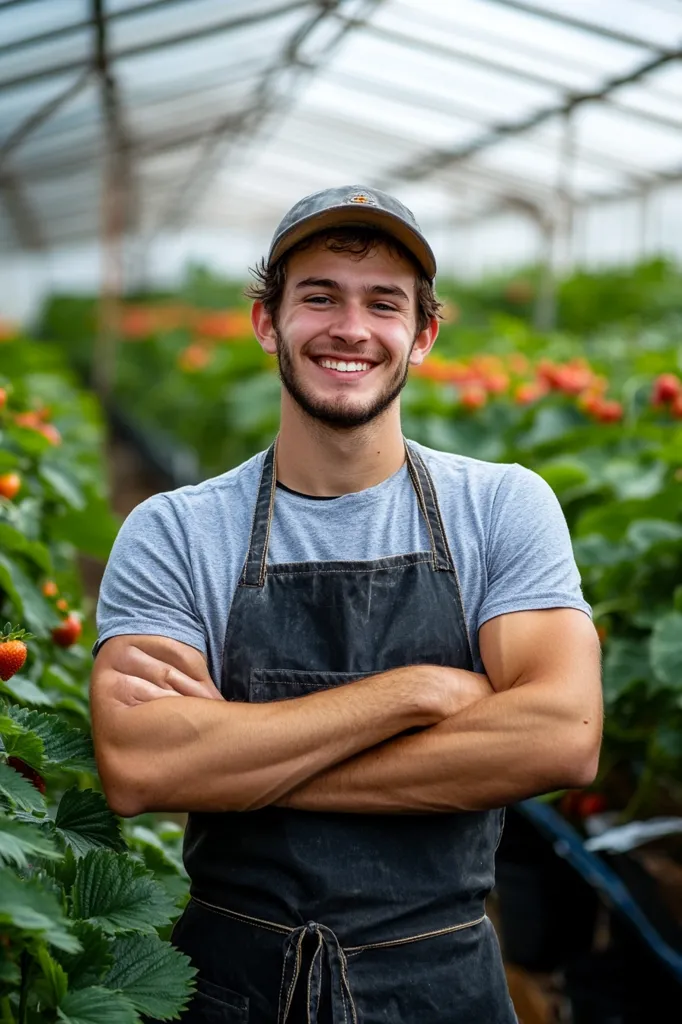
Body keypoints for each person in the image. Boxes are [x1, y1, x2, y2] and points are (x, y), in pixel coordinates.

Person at [91, 185, 603, 1023]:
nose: (350, 328)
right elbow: (144, 764)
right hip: (228, 986)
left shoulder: (503, 506)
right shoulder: (177, 530)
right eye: (319, 296)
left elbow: (564, 738)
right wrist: (420, 694)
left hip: (445, 983)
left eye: (384, 303)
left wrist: (236, 761)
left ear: (425, 335)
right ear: (268, 322)